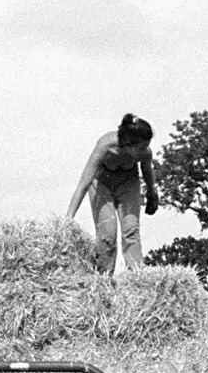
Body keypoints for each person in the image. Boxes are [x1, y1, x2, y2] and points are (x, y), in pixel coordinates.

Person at [67, 114, 159, 274]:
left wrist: (153, 194)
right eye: (141, 147)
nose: (145, 151)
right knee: (107, 234)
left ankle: (137, 276)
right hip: (101, 184)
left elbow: (147, 171)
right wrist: (68, 220)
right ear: (128, 143)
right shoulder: (104, 147)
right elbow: (83, 184)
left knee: (131, 229)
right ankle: (104, 277)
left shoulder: (145, 153)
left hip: (128, 183)